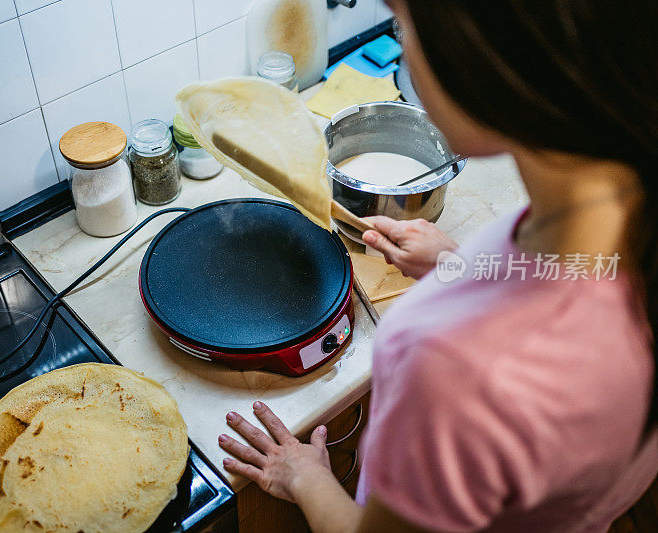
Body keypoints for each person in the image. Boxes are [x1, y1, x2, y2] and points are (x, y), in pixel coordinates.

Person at [217, 0, 658, 531]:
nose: (404, 49)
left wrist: (305, 479)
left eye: (405, 28)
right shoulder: (618, 208)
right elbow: (582, 277)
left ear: (493, 59)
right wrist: (455, 266)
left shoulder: (457, 374)